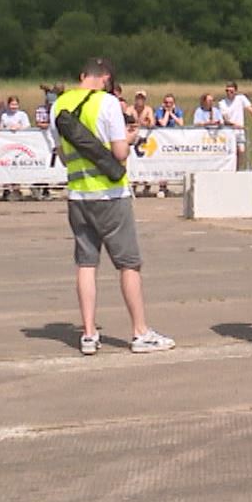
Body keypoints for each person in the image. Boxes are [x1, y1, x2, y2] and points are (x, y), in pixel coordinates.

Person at [55, 57, 173, 355]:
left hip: (78, 195)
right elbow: (119, 152)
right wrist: (130, 138)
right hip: (110, 195)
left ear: (82, 75)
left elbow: (64, 155)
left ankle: (89, 334)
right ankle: (139, 331)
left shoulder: (60, 106)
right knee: (128, 263)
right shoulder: (106, 103)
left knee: (86, 263)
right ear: (105, 78)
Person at [220, 82, 252, 171]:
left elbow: (250, 109)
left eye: (231, 91)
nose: (229, 93)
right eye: (227, 91)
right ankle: (231, 169)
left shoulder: (241, 98)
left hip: (240, 131)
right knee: (232, 152)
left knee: (241, 151)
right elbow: (225, 119)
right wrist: (235, 125)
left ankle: (238, 169)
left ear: (235, 91)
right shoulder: (222, 103)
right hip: (228, 131)